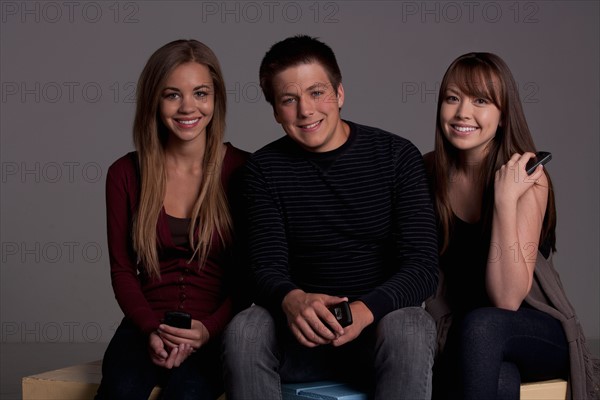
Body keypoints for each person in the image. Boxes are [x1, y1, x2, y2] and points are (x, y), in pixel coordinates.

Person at [222, 35, 439, 400]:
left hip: (379, 335)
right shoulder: (262, 170)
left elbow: (422, 268)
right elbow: (263, 267)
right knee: (246, 327)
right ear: (276, 110)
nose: (305, 110)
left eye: (317, 92)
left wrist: (363, 311)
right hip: (297, 338)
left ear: (339, 94)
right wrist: (293, 299)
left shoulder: (396, 156)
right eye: (289, 100)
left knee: (412, 324)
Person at [425, 52, 600, 399]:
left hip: (533, 330)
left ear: (504, 115)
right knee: (500, 382)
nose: (463, 113)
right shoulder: (428, 172)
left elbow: (506, 299)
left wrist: (505, 200)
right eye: (452, 98)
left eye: (481, 101)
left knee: (482, 324)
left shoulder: (529, 177)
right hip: (459, 330)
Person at [95, 39, 248, 400]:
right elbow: (121, 269)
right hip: (143, 326)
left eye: (200, 93)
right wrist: (151, 327)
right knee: (119, 391)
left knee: (187, 394)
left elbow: (249, 275)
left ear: (216, 99)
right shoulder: (124, 174)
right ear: (154, 100)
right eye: (172, 95)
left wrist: (208, 330)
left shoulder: (244, 171)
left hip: (217, 329)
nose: (188, 107)